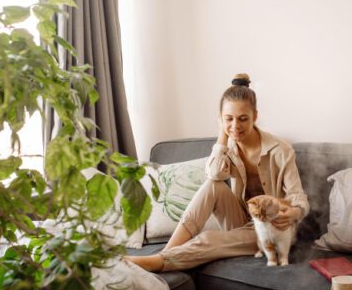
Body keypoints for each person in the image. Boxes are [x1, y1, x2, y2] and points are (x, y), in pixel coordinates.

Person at [126, 73, 309, 272]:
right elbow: (214, 174)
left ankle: (159, 262)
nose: (235, 126)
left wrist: (294, 213)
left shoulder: (281, 150)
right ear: (220, 120)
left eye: (243, 119)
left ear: (255, 117)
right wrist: (222, 136)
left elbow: (298, 197)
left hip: (271, 230)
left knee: (209, 238)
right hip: (240, 223)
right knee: (213, 185)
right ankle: (166, 253)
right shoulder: (228, 146)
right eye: (228, 119)